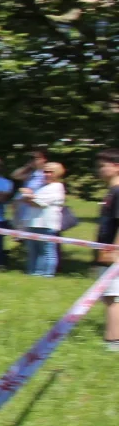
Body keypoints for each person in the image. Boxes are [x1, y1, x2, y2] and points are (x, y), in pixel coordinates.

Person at [17, 159, 66, 277]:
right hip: (33, 223)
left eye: (50, 172)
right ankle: (33, 273)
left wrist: (28, 195)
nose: (47, 174)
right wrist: (29, 196)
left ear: (57, 173)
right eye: (45, 171)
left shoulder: (57, 187)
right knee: (33, 251)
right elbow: (27, 200)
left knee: (47, 251)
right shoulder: (42, 187)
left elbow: (39, 203)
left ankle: (47, 274)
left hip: (47, 224)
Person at [12, 146, 51, 271]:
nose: (34, 160)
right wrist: (28, 166)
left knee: (43, 247)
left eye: (36, 158)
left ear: (44, 159)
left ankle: (44, 271)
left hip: (40, 213)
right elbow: (15, 175)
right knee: (31, 246)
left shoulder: (46, 174)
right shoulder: (31, 173)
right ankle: (32, 270)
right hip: (25, 212)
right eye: (32, 158)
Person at [95, 148, 119, 352]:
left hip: (112, 254)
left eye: (103, 166)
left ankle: (113, 341)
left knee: (112, 297)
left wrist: (114, 252)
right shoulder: (111, 192)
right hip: (105, 251)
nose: (99, 169)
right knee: (109, 296)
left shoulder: (118, 191)